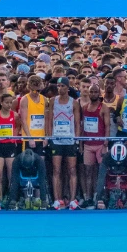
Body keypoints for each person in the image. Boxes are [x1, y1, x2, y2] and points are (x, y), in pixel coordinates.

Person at [47, 76, 80, 210]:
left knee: (71, 169)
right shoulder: (52, 101)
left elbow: (78, 123)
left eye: (62, 87)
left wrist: (77, 140)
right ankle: (57, 199)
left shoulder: (74, 103)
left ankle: (72, 200)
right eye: (58, 86)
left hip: (70, 140)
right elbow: (49, 121)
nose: (59, 89)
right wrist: (49, 138)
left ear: (68, 88)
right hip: (57, 140)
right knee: (56, 170)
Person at [0, 93, 19, 210]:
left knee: (10, 175)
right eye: (7, 102)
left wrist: (15, 136)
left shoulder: (15, 115)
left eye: (11, 102)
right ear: (1, 102)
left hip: (10, 146)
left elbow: (18, 127)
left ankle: (11, 199)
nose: (9, 105)